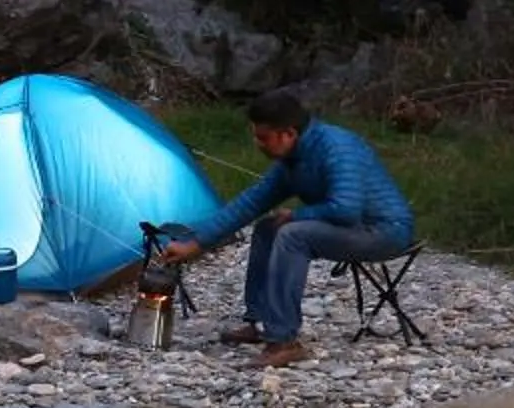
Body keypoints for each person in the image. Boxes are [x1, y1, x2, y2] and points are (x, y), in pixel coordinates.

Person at [158, 90, 414, 368]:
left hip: (385, 231)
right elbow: (249, 204)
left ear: (288, 134)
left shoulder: (336, 148)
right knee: (268, 228)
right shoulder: (294, 160)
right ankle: (258, 322)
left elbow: (346, 209)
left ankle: (283, 341)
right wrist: (195, 243)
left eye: (263, 138)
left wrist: (298, 214)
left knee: (293, 234)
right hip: (355, 227)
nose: (258, 144)